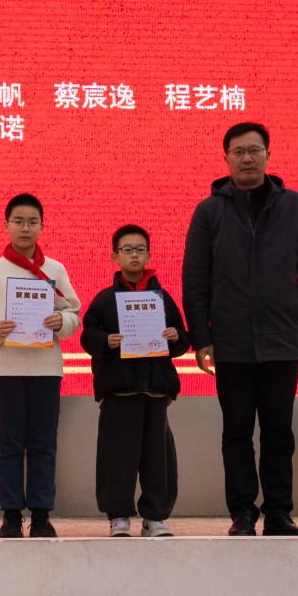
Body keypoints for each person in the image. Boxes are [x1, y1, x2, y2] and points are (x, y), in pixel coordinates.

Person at [183, 122, 298, 537]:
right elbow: (195, 279)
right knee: (237, 433)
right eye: (238, 152)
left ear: (268, 155)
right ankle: (243, 513)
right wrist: (202, 337)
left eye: (254, 150)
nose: (247, 158)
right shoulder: (209, 211)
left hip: (282, 339)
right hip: (230, 342)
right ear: (226, 158)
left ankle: (279, 513)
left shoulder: (294, 205)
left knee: (279, 432)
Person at [0, 193, 81, 538]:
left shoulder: (54, 270)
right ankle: (12, 515)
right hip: (6, 369)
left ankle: (41, 515)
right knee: (9, 444)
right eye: (18, 221)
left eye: (32, 222)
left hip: (46, 369)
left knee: (43, 443)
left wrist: (62, 321)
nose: (25, 228)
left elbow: (74, 312)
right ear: (6, 225)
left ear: (42, 226)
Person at [79, 225, 191, 538]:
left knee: (158, 457)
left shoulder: (162, 299)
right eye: (127, 250)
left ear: (149, 255)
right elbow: (88, 335)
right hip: (119, 390)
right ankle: (118, 517)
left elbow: (183, 338)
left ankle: (155, 517)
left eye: (140, 249)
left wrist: (175, 337)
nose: (134, 255)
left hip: (155, 391)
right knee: (118, 456)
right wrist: (106, 340)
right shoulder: (105, 300)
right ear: (114, 256)